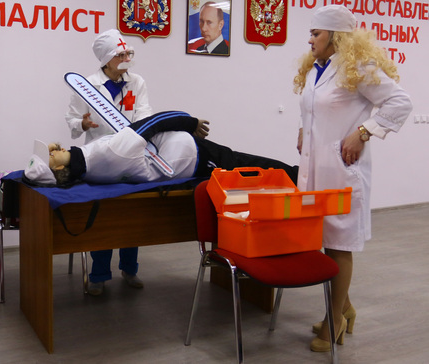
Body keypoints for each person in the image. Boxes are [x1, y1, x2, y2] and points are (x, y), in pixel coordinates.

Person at [293, 5, 412, 352]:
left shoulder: (358, 66)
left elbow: (400, 102)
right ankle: (344, 309)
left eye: (316, 33)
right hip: (317, 169)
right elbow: (315, 108)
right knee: (325, 238)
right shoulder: (318, 68)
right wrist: (303, 128)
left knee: (339, 242)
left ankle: (334, 322)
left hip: (342, 171)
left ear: (335, 36)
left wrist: (363, 132)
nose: (310, 39)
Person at [64, 29, 154, 296]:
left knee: (131, 214)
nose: (127, 59)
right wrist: (82, 123)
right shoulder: (86, 86)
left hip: (131, 157)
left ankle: (130, 269)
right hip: (100, 159)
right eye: (121, 54)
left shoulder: (137, 82)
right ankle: (99, 275)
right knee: (102, 218)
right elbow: (72, 119)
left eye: (128, 53)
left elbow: (144, 114)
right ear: (106, 58)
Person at [26, 110, 297, 190]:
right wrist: (191, 122)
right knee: (248, 167)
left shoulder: (88, 167)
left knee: (247, 168)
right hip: (193, 154)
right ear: (59, 167)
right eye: (50, 154)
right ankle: (296, 177)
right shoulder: (109, 153)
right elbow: (156, 121)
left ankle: (294, 177)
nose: (52, 147)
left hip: (182, 157)